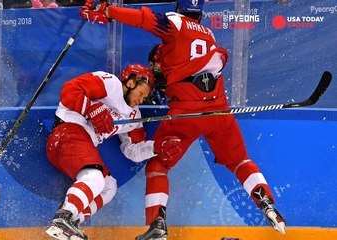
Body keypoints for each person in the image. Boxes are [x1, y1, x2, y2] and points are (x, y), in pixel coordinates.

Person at [80, 0, 286, 239]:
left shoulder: (176, 23)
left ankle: (157, 226)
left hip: (186, 113)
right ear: (200, 14)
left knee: (159, 165)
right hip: (219, 112)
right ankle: (268, 205)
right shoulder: (209, 35)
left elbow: (144, 19)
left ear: (180, 10)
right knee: (240, 161)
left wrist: (108, 11)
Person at [45, 63, 183, 240]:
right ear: (131, 82)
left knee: (109, 187)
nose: (142, 100)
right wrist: (91, 109)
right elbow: (70, 90)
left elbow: (132, 150)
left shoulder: (133, 116)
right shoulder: (110, 84)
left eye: (145, 97)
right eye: (141, 93)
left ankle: (73, 220)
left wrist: (157, 147)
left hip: (79, 144)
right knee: (94, 177)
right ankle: (63, 219)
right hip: (67, 133)